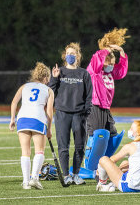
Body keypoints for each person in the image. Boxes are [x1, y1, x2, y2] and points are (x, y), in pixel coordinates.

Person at [48, 42, 93, 185]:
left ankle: (76, 174)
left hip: (79, 114)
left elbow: (89, 95)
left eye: (73, 54)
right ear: (64, 56)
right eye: (68, 54)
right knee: (63, 147)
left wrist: (86, 112)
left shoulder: (84, 73)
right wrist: (54, 78)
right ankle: (66, 175)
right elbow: (50, 93)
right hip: (62, 113)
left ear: (78, 56)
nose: (70, 56)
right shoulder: (59, 71)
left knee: (80, 145)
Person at [9, 62, 54, 190]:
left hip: (22, 118)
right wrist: (49, 129)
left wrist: (12, 119)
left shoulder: (24, 86)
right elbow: (49, 112)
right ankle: (34, 178)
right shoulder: (49, 90)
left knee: (25, 152)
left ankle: (25, 182)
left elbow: (14, 103)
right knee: (39, 151)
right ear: (46, 78)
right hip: (38, 118)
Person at [96, 120, 140, 192]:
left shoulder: (130, 146)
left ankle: (102, 184)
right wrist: (118, 169)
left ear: (139, 133)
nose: (129, 130)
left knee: (103, 159)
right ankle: (112, 183)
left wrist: (102, 169)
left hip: (128, 187)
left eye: (131, 129)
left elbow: (112, 160)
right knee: (124, 163)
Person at [86, 44, 128, 138]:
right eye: (109, 63)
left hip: (105, 107)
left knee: (112, 135)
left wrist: (121, 52)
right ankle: (91, 152)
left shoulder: (109, 72)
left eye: (113, 64)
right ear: (102, 61)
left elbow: (121, 72)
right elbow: (96, 58)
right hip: (94, 106)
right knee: (96, 135)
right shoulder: (94, 71)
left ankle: (106, 153)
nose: (111, 66)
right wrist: (106, 50)